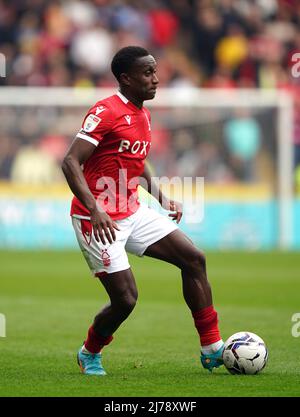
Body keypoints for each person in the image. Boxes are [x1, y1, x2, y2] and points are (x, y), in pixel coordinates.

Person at [62, 46, 224, 376]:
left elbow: (136, 163)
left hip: (132, 210)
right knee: (126, 300)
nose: (156, 79)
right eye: (148, 73)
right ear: (126, 78)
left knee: (194, 258)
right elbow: (70, 161)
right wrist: (95, 209)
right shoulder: (105, 112)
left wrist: (160, 198)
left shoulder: (143, 114)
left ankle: (212, 347)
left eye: (155, 71)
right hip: (98, 219)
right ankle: (89, 351)